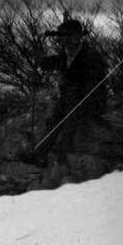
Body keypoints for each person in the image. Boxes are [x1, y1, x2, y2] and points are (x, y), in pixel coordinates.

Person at [35, 15, 108, 160]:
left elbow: (93, 86)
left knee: (69, 110)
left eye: (68, 36)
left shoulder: (91, 56)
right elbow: (55, 62)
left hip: (90, 102)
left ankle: (62, 149)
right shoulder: (66, 55)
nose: (63, 40)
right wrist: (42, 61)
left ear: (77, 37)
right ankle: (41, 153)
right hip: (70, 100)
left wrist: (76, 96)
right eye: (62, 37)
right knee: (56, 116)